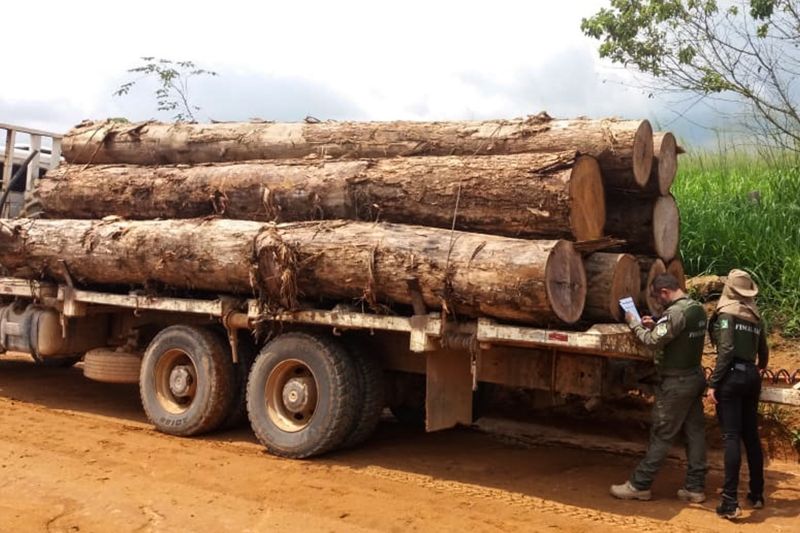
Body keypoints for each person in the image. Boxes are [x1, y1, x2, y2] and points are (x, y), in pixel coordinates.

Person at [611, 273, 707, 502]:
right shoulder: (697, 309)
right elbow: (677, 334)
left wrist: (634, 323)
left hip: (676, 384)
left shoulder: (675, 313)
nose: (658, 301)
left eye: (657, 296)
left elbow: (653, 342)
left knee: (663, 434)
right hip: (694, 377)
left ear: (665, 292)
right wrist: (656, 325)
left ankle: (639, 485)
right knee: (695, 433)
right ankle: (695, 487)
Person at [707, 269, 769, 520]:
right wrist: (758, 367)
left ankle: (730, 500)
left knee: (731, 436)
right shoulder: (755, 317)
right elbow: (763, 351)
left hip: (731, 376)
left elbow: (726, 350)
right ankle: (756, 493)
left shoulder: (726, 315)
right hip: (752, 377)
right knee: (751, 436)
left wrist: (713, 383)